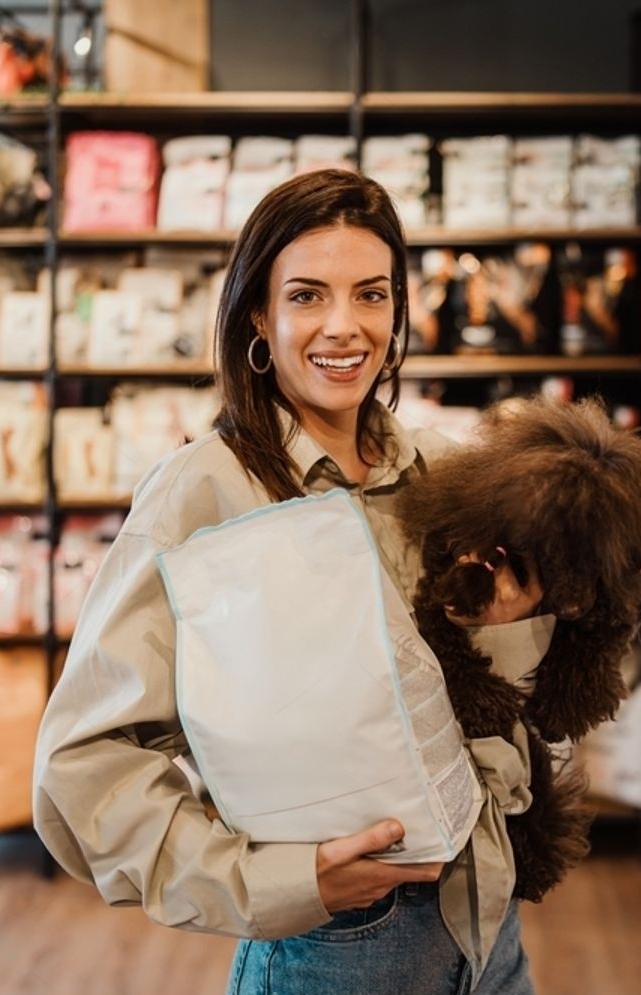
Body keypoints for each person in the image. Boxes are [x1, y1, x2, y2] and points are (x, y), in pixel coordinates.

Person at [33, 169, 553, 995]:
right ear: (259, 320)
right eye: (307, 296)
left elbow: (501, 697)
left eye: (372, 295)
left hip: (490, 931)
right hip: (339, 949)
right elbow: (82, 762)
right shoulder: (204, 493)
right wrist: (278, 883)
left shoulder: (447, 475)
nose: (345, 327)